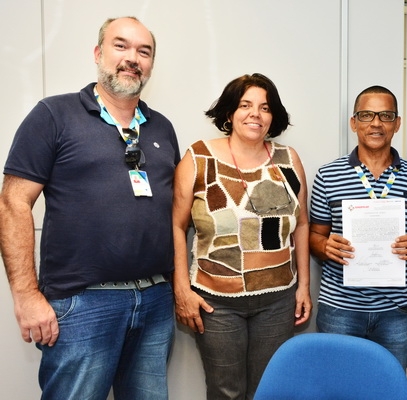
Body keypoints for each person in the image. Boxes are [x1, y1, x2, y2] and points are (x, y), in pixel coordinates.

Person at [0, 17, 180, 399]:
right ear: (98, 53)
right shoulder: (53, 115)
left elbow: (175, 216)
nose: (133, 58)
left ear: (151, 64)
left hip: (155, 301)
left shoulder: (162, 128)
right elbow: (13, 202)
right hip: (83, 305)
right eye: (121, 45)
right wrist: (26, 295)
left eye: (144, 51)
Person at [172, 73, 312, 399]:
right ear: (230, 112)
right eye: (245, 105)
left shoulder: (288, 160)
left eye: (265, 107)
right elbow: (176, 226)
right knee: (226, 392)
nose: (255, 114)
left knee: (269, 392)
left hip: (278, 301)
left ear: (273, 116)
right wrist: (182, 290)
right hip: (216, 304)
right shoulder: (198, 158)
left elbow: (302, 224)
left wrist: (304, 286)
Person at [309, 85, 407, 370]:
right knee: (337, 387)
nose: (376, 123)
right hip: (340, 309)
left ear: (397, 123)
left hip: (396, 312)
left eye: (386, 115)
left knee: (388, 387)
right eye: (367, 115)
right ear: (354, 122)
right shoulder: (328, 175)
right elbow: (314, 235)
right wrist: (325, 246)